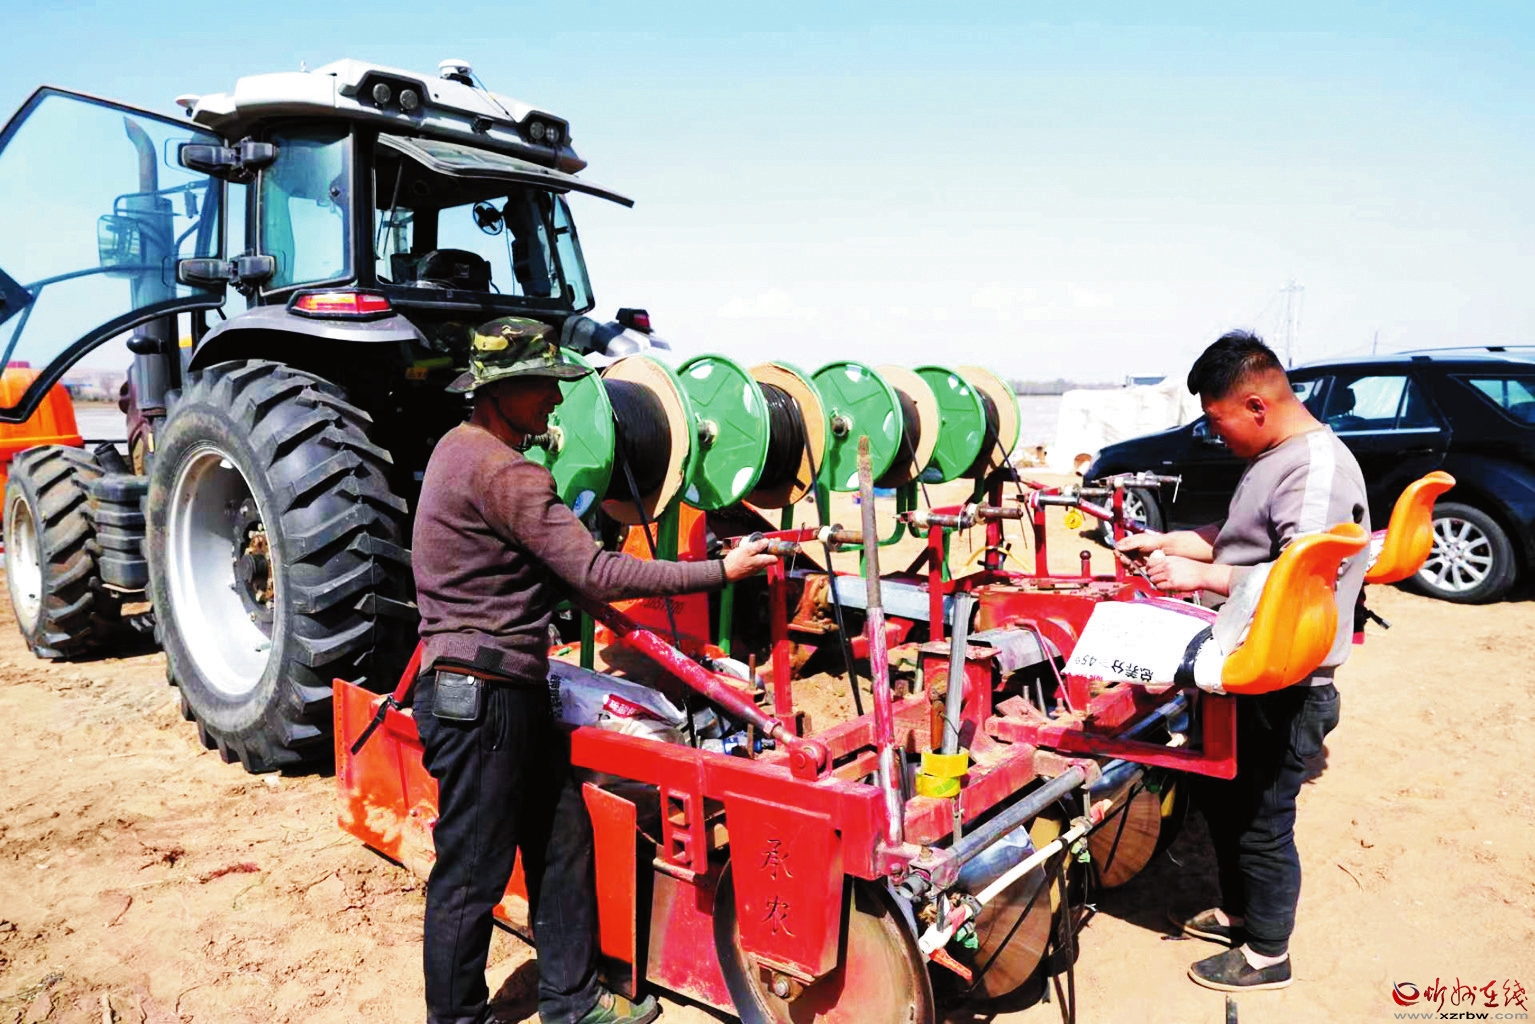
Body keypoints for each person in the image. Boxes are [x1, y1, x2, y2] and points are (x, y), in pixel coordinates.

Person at [412, 317, 776, 1024]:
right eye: (543, 386)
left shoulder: (457, 449)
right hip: (484, 697)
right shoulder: (506, 472)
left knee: (561, 837)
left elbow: (531, 566)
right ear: (500, 391)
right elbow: (596, 570)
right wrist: (720, 571)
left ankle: (572, 1001)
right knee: (472, 871)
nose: (556, 401)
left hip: (504, 689)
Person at [1116, 330, 1368, 993]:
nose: (1214, 433)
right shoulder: (1276, 455)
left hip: (1287, 680)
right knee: (1226, 802)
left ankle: (1266, 954)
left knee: (1261, 821)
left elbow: (1303, 579)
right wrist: (1177, 542)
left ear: (1256, 404)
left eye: (1217, 418)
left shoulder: (1314, 469)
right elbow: (1246, 541)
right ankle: (1237, 913)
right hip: (1247, 666)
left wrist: (1201, 577)